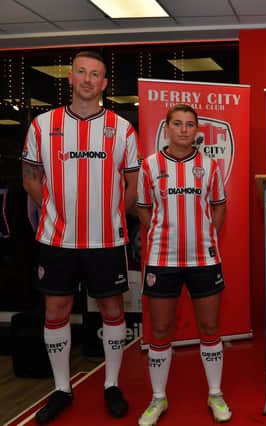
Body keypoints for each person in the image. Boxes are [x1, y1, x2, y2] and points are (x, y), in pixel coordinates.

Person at [21, 50, 139, 424]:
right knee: (55, 311)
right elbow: (30, 178)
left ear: (104, 84)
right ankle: (61, 388)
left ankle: (112, 384)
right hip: (57, 240)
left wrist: (111, 213)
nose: (88, 79)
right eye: (81, 72)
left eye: (96, 75)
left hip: (106, 241)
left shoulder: (122, 129)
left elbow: (133, 184)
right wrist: (57, 208)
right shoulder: (42, 125)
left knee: (113, 310)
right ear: (70, 78)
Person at [136, 104, 230, 425]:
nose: (184, 129)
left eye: (190, 124)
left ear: (196, 130)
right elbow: (144, 211)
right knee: (161, 330)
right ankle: (158, 398)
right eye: (178, 123)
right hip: (162, 261)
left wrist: (205, 236)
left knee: (209, 329)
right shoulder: (149, 166)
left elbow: (219, 207)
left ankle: (215, 394)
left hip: (204, 259)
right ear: (167, 128)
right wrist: (163, 236)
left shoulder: (210, 165)